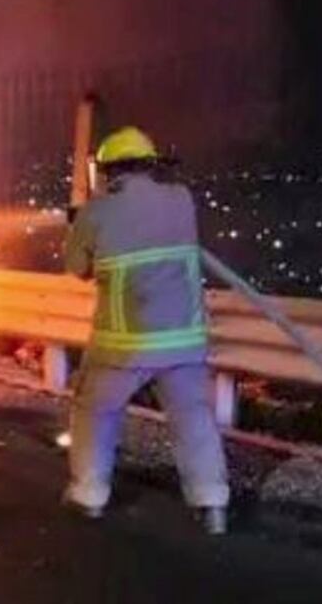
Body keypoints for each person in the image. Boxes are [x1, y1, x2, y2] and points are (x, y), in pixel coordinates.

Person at [63, 126, 229, 535]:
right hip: (184, 343)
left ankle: (89, 495)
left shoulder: (96, 212)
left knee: (94, 411)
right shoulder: (181, 200)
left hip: (122, 347)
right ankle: (212, 504)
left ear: (110, 171)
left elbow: (77, 268)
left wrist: (79, 225)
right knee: (193, 417)